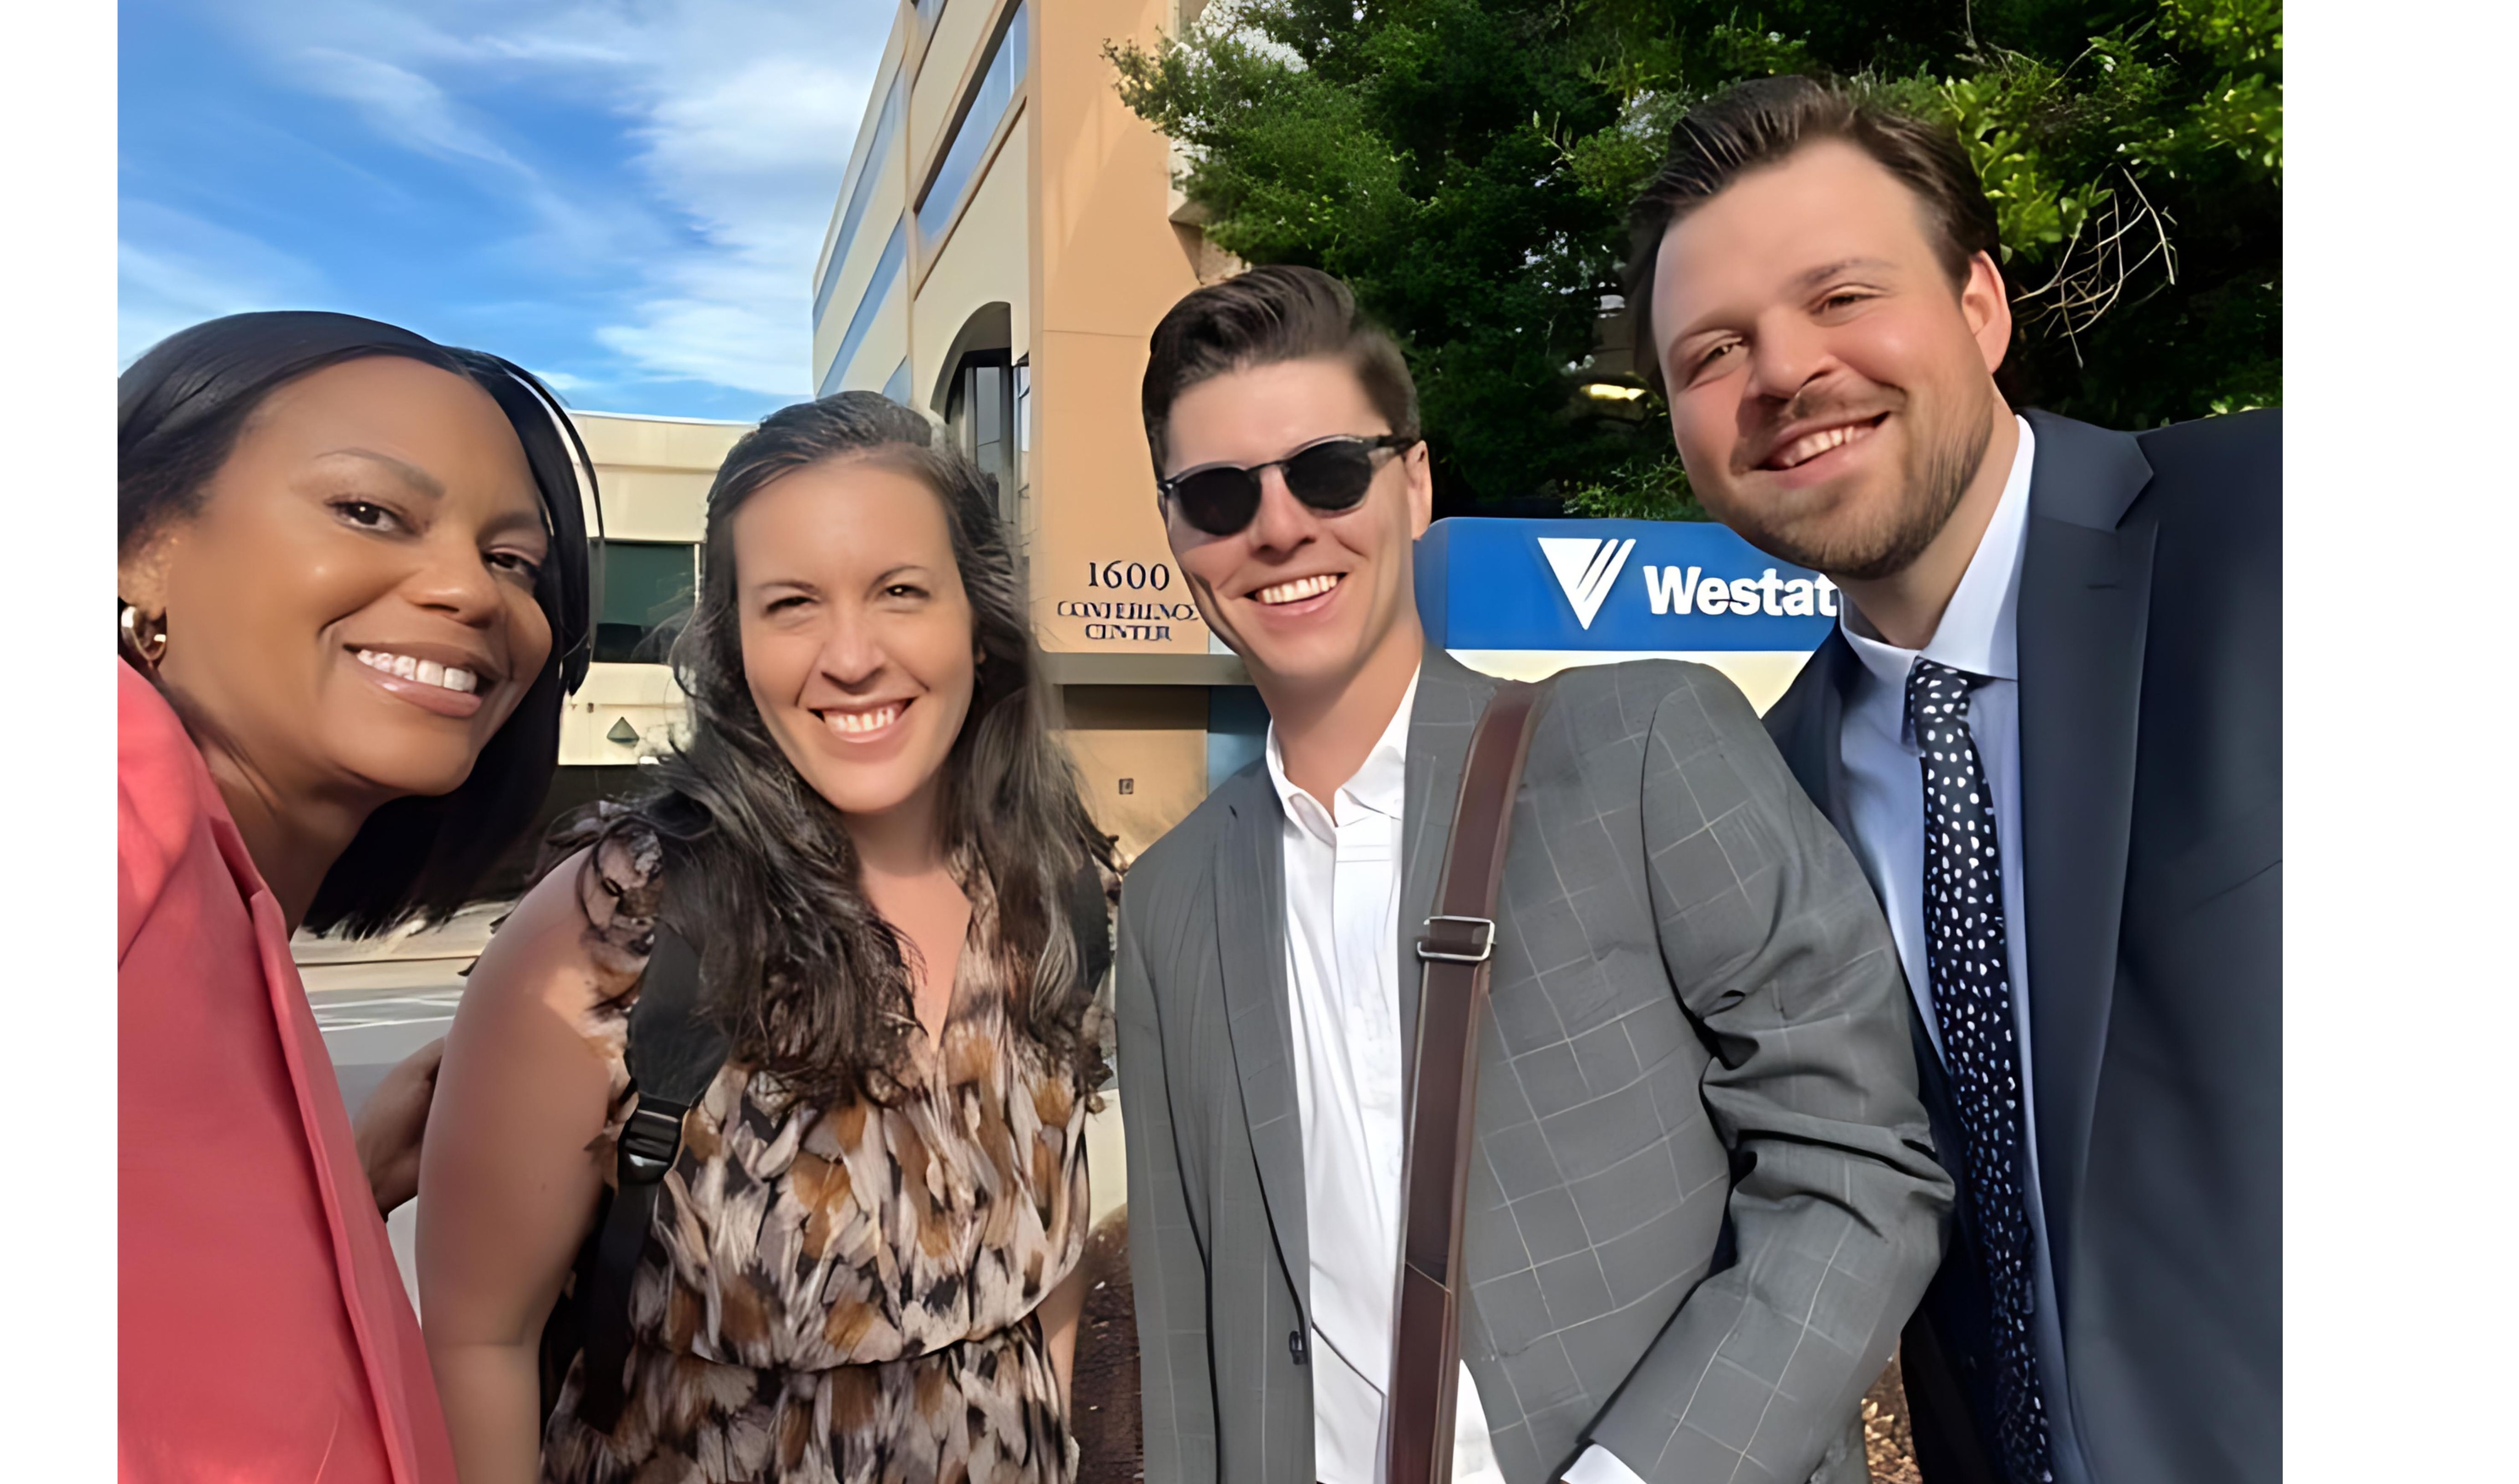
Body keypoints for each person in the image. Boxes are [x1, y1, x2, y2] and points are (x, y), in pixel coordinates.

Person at [1115, 265, 1952, 1484]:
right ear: (1179, 534)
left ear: (1413, 485)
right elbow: (1187, 1333)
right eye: (1219, 494)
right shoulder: (1175, 898)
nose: (1280, 523)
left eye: (1330, 468)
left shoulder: (1642, 747)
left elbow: (1861, 1164)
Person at [1627, 76, 2281, 1484]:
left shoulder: (2290, 528)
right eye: (1713, 350)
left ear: (1983, 307)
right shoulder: (1769, 787)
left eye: (1841, 296)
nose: (1786, 372)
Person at [419, 392, 1116, 1484]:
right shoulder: (619, 922)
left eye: (899, 592)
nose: (850, 656)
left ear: (977, 618)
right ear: (735, 643)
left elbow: (1044, 1287)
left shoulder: (1066, 898)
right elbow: (477, 1339)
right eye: (792, 604)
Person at [119, 310, 598, 1484]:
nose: (469, 594)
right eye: (371, 513)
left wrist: (325, 1174)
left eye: (513, 562)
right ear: (141, 547)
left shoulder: (225, 918)